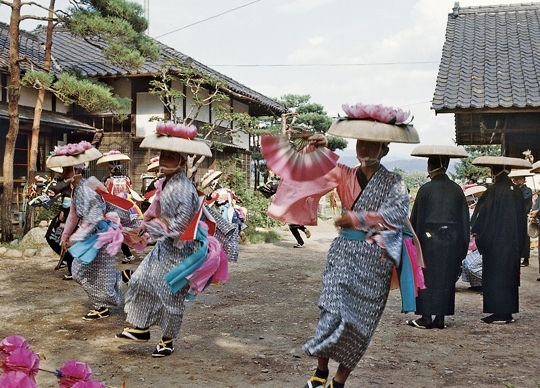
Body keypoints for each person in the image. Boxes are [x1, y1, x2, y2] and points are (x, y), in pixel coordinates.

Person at [263, 103, 419, 388]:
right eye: (361, 143)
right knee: (331, 309)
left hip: (375, 259)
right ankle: (321, 369)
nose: (365, 149)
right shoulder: (344, 174)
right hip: (343, 254)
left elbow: (396, 214)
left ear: (384, 149)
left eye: (373, 145)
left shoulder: (394, 182)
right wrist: (319, 148)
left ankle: (340, 378)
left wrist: (357, 218)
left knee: (361, 322)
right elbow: (314, 172)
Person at [116, 124, 214, 357]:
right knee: (140, 280)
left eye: (170, 156)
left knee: (169, 294)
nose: (164, 159)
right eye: (163, 154)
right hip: (164, 245)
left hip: (181, 248)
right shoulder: (165, 182)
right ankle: (140, 328)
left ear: (181, 161)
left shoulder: (182, 188)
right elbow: (156, 206)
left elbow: (180, 225)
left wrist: (151, 231)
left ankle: (168, 339)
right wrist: (144, 222)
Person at [47, 141, 125, 321]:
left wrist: (73, 239)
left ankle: (102, 305)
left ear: (77, 170)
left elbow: (93, 218)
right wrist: (65, 237)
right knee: (91, 271)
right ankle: (104, 300)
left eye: (67, 169)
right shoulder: (77, 188)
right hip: (93, 234)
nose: (64, 173)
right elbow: (73, 215)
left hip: (99, 235)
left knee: (82, 270)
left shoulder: (86, 189)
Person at [407, 146, 470, 330]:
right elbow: (464, 221)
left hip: (428, 241)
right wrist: (462, 246)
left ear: (430, 166)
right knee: (445, 278)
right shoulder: (457, 190)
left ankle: (426, 317)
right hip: (451, 240)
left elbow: (415, 219)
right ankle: (440, 318)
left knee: (427, 278)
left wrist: (414, 244)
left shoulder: (425, 189)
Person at [471, 156, 530, 324]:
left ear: (496, 171)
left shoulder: (494, 190)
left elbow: (482, 216)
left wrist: (477, 231)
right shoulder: (517, 191)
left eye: (492, 169)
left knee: (496, 276)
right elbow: (522, 217)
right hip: (513, 242)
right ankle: (508, 312)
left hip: (496, 242)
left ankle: (499, 313)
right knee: (509, 276)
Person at [97, 151, 136, 264]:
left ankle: (124, 254)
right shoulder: (127, 179)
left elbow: (106, 195)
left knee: (114, 230)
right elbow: (131, 192)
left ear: (111, 169)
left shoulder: (108, 180)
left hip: (114, 208)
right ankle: (127, 253)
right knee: (122, 231)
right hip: (127, 207)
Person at [509, 171, 533, 267]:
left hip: (524, 215)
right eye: (516, 179)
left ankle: (526, 257)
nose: (517, 181)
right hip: (516, 215)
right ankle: (517, 256)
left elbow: (524, 199)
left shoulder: (527, 190)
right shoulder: (515, 189)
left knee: (525, 237)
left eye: (520, 179)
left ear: (523, 180)